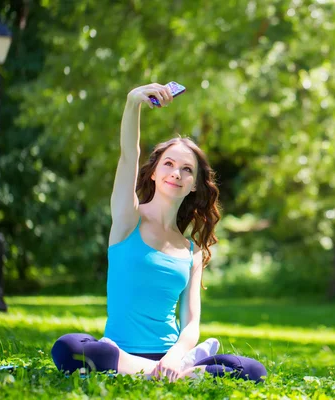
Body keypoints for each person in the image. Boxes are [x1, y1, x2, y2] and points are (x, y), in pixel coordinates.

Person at [51, 83, 267, 383]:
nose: (176, 173)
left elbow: (191, 323)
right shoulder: (129, 218)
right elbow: (129, 156)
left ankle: (175, 370)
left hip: (169, 356)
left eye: (187, 169)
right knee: (68, 347)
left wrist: (175, 355)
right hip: (119, 354)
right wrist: (132, 103)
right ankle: (173, 375)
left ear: (194, 184)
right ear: (153, 172)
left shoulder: (191, 250)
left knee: (254, 370)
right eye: (168, 164)